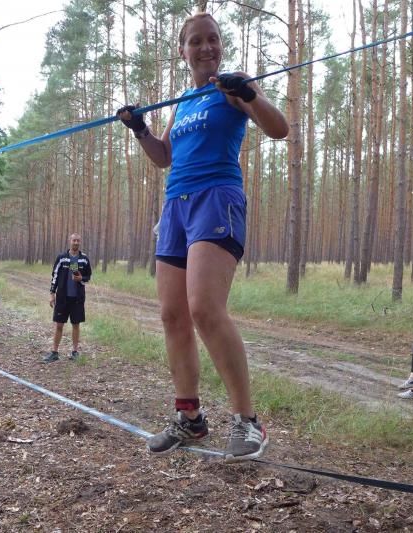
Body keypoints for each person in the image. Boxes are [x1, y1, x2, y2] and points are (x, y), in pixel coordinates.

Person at [116, 12, 288, 463]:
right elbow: (163, 157)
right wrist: (140, 129)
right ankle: (189, 418)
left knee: (205, 309)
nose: (206, 47)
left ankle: (248, 421)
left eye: (213, 39)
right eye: (196, 41)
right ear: (183, 51)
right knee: (172, 315)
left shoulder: (233, 87)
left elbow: (279, 129)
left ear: (221, 46)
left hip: (217, 198)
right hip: (176, 205)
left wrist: (248, 93)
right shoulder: (184, 101)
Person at [44, 233, 92, 363]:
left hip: (77, 299)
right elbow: (55, 276)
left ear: (80, 242)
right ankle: (54, 353)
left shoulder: (84, 259)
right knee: (59, 325)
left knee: (75, 325)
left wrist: (81, 278)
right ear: (70, 241)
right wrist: (52, 294)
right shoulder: (62, 258)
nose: (76, 242)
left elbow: (88, 276)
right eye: (74, 240)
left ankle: (75, 352)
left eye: (78, 241)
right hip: (62, 298)